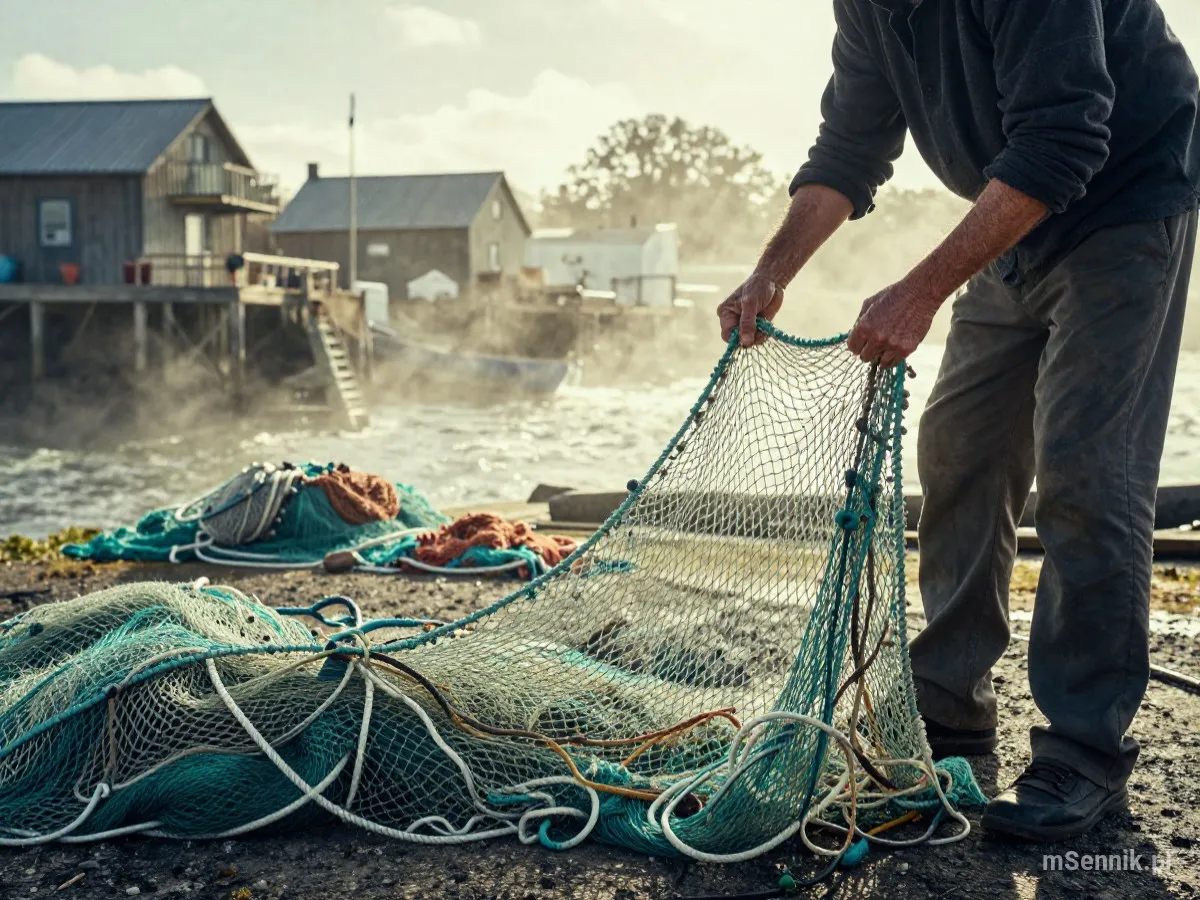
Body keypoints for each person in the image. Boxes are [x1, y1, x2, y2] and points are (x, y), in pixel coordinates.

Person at [719, 0, 1200, 842]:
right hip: (1017, 212)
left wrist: (919, 290)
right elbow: (848, 149)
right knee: (959, 447)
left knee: (1089, 471)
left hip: (1126, 202)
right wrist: (770, 273)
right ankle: (948, 704)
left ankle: (1083, 751)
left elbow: (1067, 138)